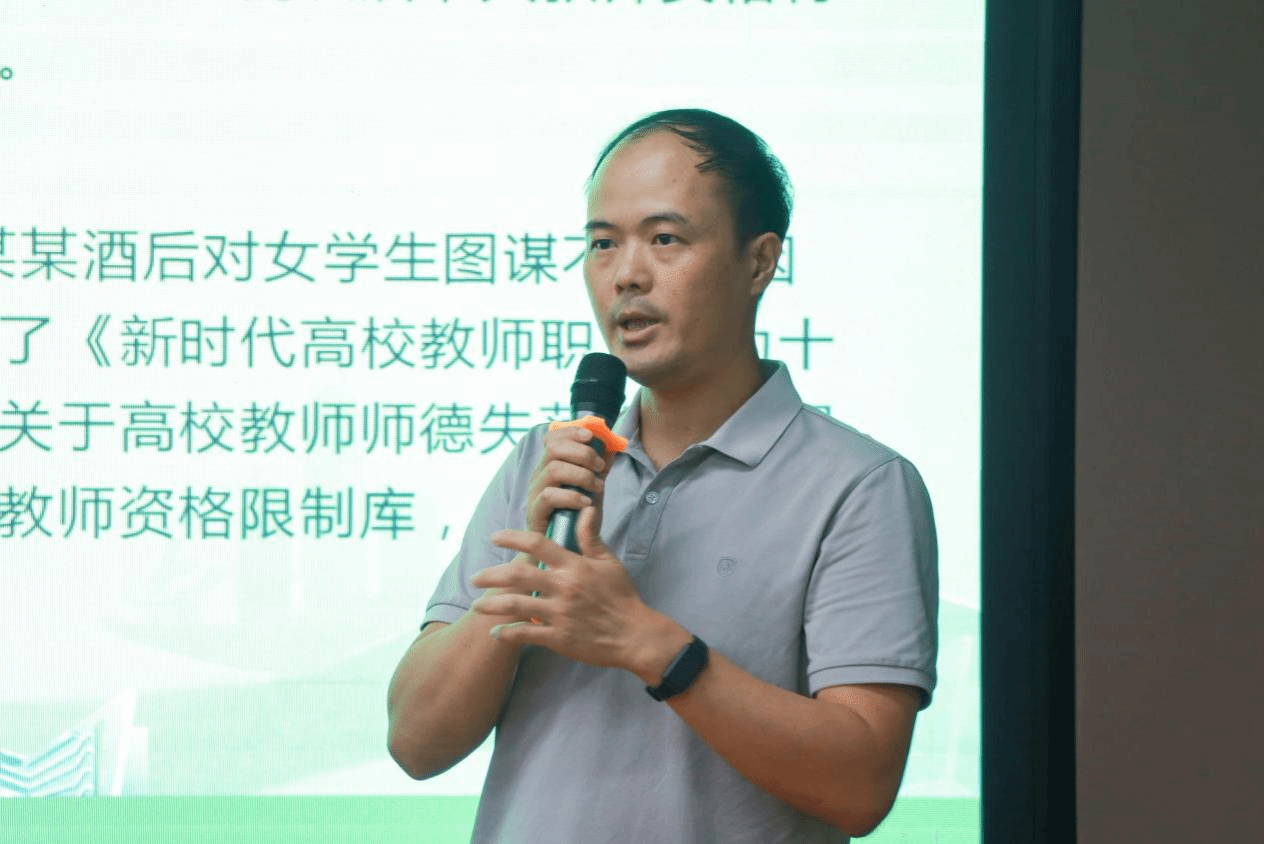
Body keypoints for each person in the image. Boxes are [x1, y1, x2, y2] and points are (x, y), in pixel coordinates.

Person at [386, 108, 938, 843]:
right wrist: (524, 579)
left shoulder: (860, 486)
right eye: (602, 243)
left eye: (665, 239)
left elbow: (860, 786)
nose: (626, 274)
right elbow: (415, 744)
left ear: (759, 262)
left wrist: (647, 644)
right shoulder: (546, 463)